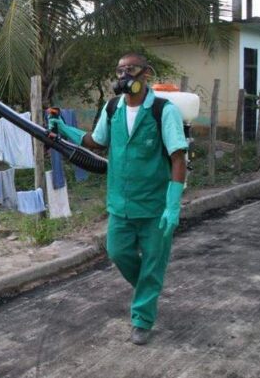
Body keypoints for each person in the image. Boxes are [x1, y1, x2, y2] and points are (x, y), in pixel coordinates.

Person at [49, 53, 187, 345]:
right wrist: (64, 129)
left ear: (146, 73)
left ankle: (142, 318)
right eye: (120, 70)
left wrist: (173, 205)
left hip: (154, 207)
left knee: (152, 263)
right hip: (120, 204)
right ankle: (149, 291)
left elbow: (178, 157)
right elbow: (96, 141)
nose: (124, 76)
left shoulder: (164, 110)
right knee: (117, 252)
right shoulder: (112, 107)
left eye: (131, 70)